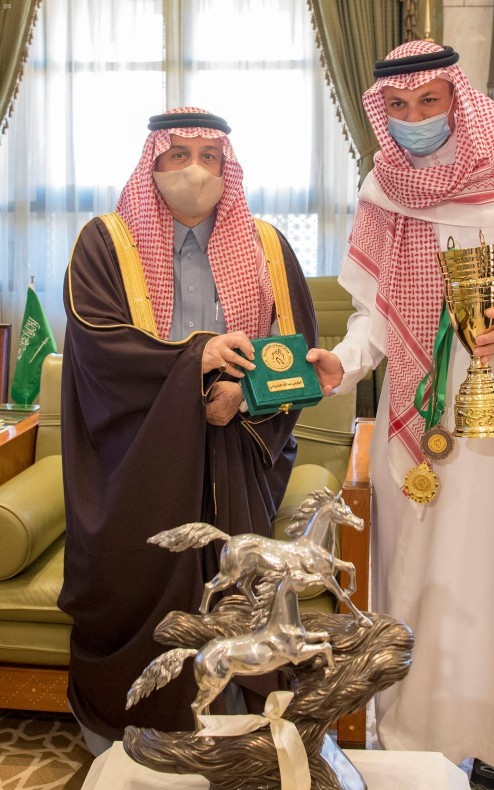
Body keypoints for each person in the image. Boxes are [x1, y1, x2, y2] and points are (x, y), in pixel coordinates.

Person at [306, 41, 494, 790]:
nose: (413, 119)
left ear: (457, 98)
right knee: (420, 575)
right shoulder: (384, 186)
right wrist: (344, 362)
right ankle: (415, 737)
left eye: (428, 101)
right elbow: (374, 313)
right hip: (414, 416)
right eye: (397, 107)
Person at [58, 107, 317, 755]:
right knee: (137, 582)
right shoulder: (105, 242)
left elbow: (294, 353)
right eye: (178, 155)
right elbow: (96, 345)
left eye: (209, 156)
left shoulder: (266, 245)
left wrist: (242, 395)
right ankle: (124, 739)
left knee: (237, 592)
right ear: (153, 164)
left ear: (229, 168)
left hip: (236, 452)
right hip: (138, 451)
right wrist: (193, 362)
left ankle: (236, 736)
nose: (194, 170)